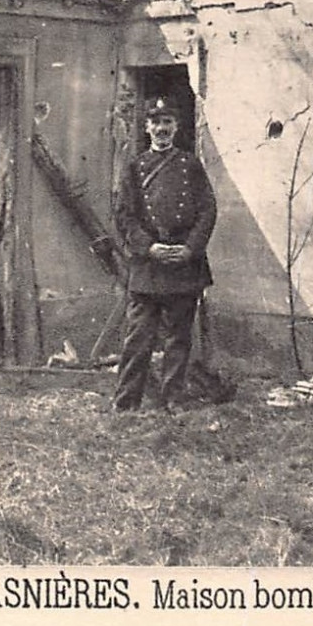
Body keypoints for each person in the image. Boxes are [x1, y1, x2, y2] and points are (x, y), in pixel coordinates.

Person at [112, 97, 217, 413]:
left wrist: (190, 248)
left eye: (167, 122)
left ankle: (173, 398)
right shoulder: (134, 167)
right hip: (148, 266)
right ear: (147, 128)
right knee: (137, 339)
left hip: (183, 263)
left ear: (176, 127)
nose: (161, 129)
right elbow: (123, 214)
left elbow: (208, 209)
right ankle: (126, 402)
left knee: (178, 338)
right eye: (156, 123)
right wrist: (148, 247)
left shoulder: (190, 165)